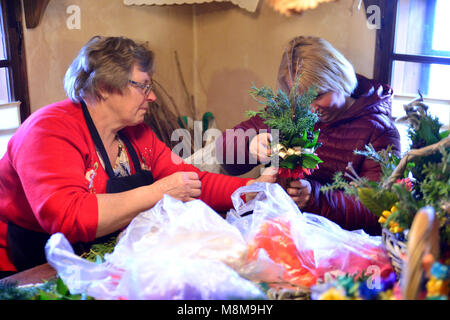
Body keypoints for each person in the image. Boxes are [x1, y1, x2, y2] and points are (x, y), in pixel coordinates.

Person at [0, 36, 275, 274]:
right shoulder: (49, 131)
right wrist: (158, 192)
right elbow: (69, 217)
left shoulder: (136, 133)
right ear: (106, 87)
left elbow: (189, 181)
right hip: (28, 265)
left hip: (94, 258)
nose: (152, 95)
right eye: (143, 85)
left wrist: (250, 189)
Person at [216, 36, 401, 236]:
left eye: (318, 95)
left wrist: (316, 198)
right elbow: (222, 151)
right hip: (283, 232)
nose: (311, 109)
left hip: (340, 242)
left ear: (340, 80)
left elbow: (379, 209)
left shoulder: (378, 130)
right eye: (301, 98)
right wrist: (249, 145)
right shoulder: (291, 111)